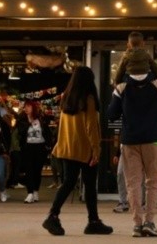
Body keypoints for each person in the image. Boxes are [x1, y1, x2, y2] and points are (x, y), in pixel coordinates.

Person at [42, 66, 113, 236]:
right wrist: (96, 150)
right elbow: (91, 128)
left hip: (67, 148)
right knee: (89, 186)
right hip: (84, 149)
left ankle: (53, 215)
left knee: (68, 182)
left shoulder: (67, 99)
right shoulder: (88, 99)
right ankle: (93, 221)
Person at [107, 64, 157, 238]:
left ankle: (137, 225)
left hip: (129, 141)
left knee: (133, 184)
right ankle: (149, 222)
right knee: (153, 182)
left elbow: (111, 114)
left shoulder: (121, 88)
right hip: (153, 140)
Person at [16, 100, 53, 204]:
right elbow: (21, 133)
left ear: (33, 107)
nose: (26, 109)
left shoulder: (41, 119)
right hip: (28, 147)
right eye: (25, 107)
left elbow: (47, 133)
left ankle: (36, 191)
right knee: (29, 170)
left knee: (37, 170)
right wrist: (28, 123)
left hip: (40, 147)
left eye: (28, 106)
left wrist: (48, 146)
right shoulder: (22, 120)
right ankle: (30, 193)